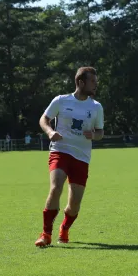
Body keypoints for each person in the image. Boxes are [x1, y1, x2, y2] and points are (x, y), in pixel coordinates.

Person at [35, 66, 104, 247]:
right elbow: (44, 119)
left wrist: (93, 135)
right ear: (81, 82)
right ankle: (45, 234)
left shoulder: (96, 107)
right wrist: (50, 132)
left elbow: (100, 132)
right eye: (92, 81)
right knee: (56, 187)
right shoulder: (61, 100)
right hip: (60, 150)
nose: (96, 85)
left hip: (81, 157)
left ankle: (64, 228)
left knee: (74, 205)